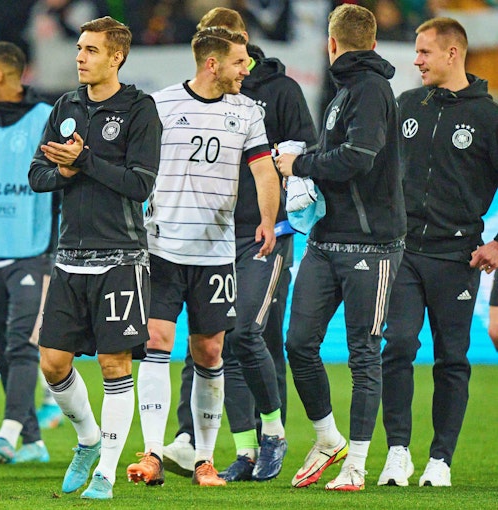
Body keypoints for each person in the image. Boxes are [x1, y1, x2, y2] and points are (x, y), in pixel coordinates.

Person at [156, 6, 316, 484]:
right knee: (209, 343)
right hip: (211, 237)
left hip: (263, 237)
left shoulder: (277, 92)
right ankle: (221, 444)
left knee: (252, 333)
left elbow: (299, 150)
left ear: (243, 41)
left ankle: (273, 434)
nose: (241, 65)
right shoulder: (182, 102)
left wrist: (276, 213)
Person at [132, 25, 279, 489]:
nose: (247, 69)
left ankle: (204, 459)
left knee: (209, 349)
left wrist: (268, 220)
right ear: (211, 63)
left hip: (215, 251)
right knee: (156, 340)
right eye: (239, 61)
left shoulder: (249, 111)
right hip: (161, 247)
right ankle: (153, 451)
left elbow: (264, 172)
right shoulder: (160, 105)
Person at [28, 16, 162, 500]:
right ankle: (87, 439)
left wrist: (83, 162)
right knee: (52, 363)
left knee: (113, 364)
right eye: (79, 48)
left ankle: (105, 471)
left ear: (116, 57)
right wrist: (64, 172)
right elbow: (36, 176)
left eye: (90, 50)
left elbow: (140, 184)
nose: (80, 57)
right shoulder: (65, 105)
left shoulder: (139, 109)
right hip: (69, 258)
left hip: (122, 256)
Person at [275, 3, 405, 491]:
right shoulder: (348, 90)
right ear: (370, 42)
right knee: (299, 344)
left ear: (331, 44)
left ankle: (357, 466)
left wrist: (300, 164)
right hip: (328, 240)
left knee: (362, 353)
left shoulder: (369, 89)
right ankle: (330, 439)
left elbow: (358, 157)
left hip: (371, 245)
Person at [380, 17, 498, 488]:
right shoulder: (408, 104)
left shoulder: (489, 118)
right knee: (399, 345)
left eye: (425, 52)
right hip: (405, 251)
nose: (416, 60)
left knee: (452, 358)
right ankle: (398, 453)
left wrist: (496, 243)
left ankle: (440, 461)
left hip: (458, 258)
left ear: (453, 54)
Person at [0, 41, 56, 465]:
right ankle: (35, 441)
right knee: (2, 346)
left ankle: (7, 432)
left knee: (23, 343)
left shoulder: (47, 119)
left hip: (33, 249)